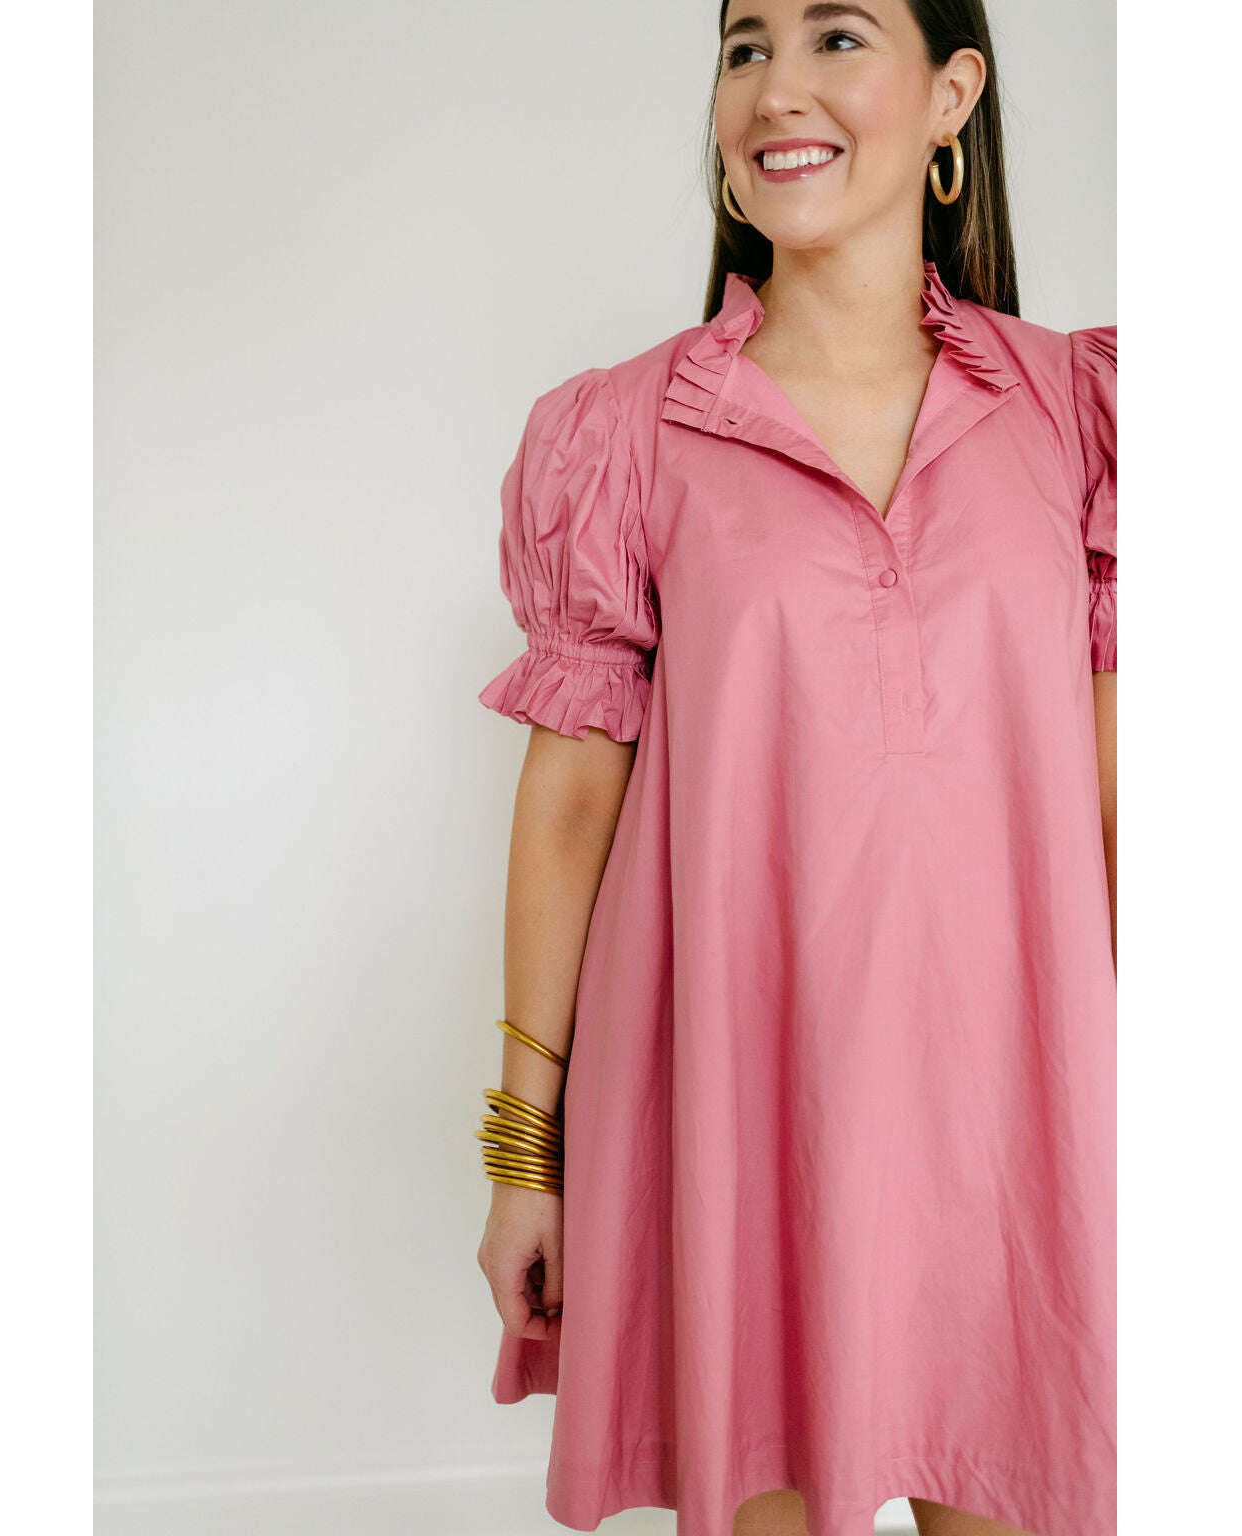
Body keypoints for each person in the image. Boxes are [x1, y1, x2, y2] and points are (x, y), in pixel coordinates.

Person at [473, 2, 1116, 1534]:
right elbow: (571, 802)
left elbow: (1119, 797)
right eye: (745, 47)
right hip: (742, 1112)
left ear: (953, 94)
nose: (776, 89)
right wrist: (524, 1155)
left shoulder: (1083, 418)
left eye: (836, 37)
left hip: (1019, 1118)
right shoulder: (622, 434)